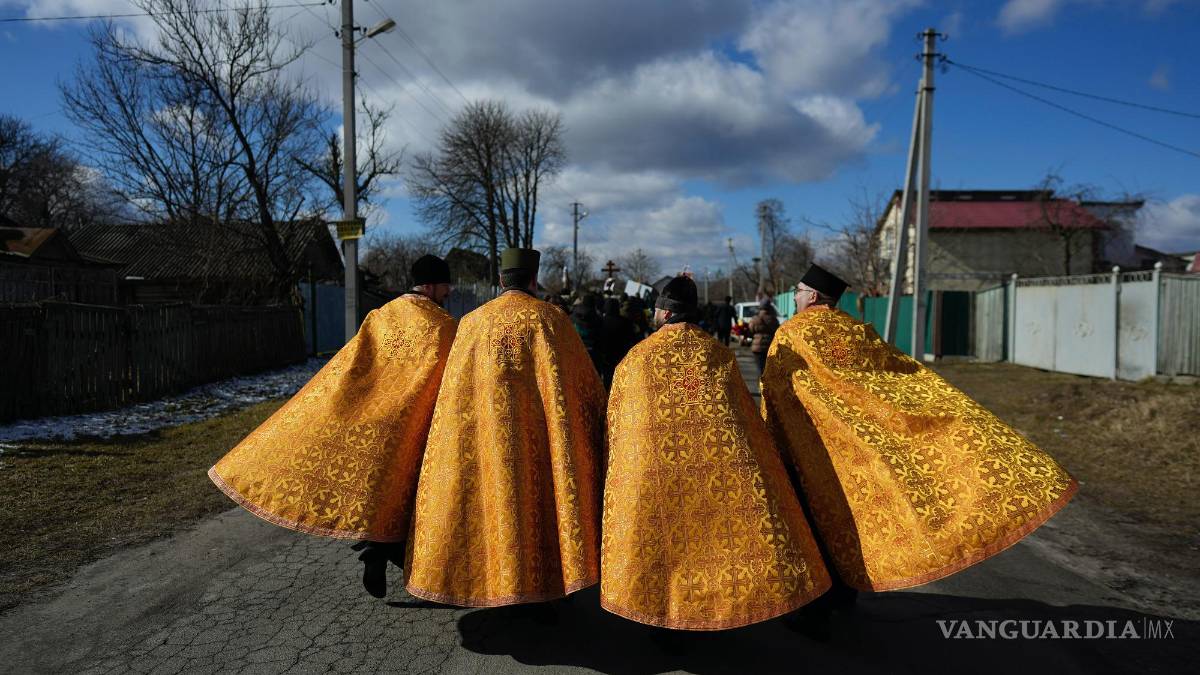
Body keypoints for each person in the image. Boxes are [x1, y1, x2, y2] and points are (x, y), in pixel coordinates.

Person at [760, 264, 1078, 626]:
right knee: (850, 521)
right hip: (858, 448)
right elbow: (890, 379)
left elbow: (776, 387)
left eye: (799, 290)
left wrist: (777, 439)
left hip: (812, 450)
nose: (797, 296)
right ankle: (846, 593)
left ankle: (813, 612)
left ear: (812, 296)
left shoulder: (791, 333)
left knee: (812, 524)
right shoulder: (857, 330)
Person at [208, 254, 458, 598]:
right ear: (431, 285)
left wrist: (344, 404)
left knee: (375, 488)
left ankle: (376, 545)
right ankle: (390, 553)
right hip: (417, 422)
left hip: (371, 420)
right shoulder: (443, 325)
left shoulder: (380, 316)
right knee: (407, 493)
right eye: (446, 285)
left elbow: (352, 364)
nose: (449, 291)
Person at [600, 275, 831, 630]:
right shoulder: (717, 354)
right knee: (712, 549)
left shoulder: (637, 359)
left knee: (665, 549)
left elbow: (618, 423)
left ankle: (664, 620)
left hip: (657, 474)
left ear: (662, 313)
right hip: (715, 474)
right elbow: (743, 417)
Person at [404, 247, 608, 607]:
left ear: (500, 280)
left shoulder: (471, 323)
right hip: (542, 444)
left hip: (485, 442)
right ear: (532, 279)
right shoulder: (551, 320)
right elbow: (583, 385)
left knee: (491, 507)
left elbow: (455, 392)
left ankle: (490, 584)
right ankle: (545, 592)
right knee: (541, 506)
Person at [599, 296, 636, 388]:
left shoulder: (601, 321)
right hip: (621, 356)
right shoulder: (625, 322)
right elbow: (631, 338)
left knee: (607, 380)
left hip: (605, 356)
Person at [571, 291, 604, 374]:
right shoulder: (598, 319)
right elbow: (600, 337)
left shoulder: (572, 317)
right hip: (593, 354)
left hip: (575, 352)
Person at [747, 302, 779, 375]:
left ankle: (762, 382)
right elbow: (777, 330)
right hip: (770, 345)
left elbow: (750, 330)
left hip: (757, 346)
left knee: (760, 367)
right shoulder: (773, 319)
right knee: (768, 367)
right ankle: (767, 383)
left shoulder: (755, 318)